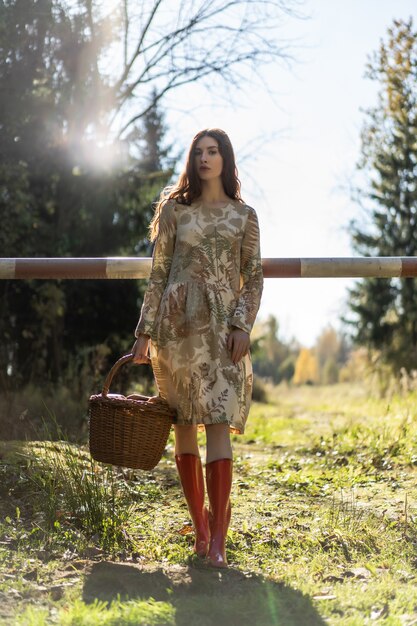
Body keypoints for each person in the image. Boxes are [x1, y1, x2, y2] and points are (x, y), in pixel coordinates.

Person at [132, 128, 263, 568]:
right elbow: (158, 273)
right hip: (176, 330)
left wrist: (242, 325)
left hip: (223, 331)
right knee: (184, 423)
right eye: (198, 152)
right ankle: (200, 532)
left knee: (218, 422)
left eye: (213, 152)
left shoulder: (244, 217)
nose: (205, 159)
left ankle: (221, 541)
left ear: (225, 158)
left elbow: (254, 276)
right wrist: (144, 332)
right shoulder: (175, 211)